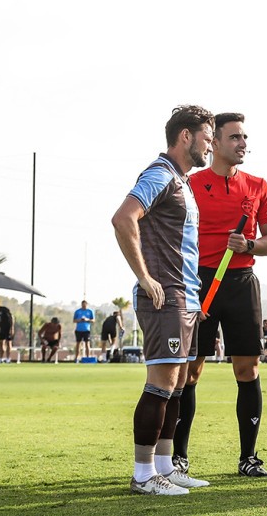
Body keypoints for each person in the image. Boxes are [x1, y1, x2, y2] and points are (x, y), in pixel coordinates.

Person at [112, 104, 215, 496]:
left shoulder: (183, 181)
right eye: (207, 137)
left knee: (178, 385)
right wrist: (144, 277)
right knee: (161, 383)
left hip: (186, 298)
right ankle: (142, 475)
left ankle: (164, 467)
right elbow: (124, 218)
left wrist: (195, 296)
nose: (210, 145)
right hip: (164, 297)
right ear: (185, 136)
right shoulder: (159, 175)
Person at [174, 112, 267, 479]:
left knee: (247, 369)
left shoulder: (258, 185)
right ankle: (178, 458)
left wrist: (248, 243)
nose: (242, 143)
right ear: (214, 142)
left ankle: (248, 458)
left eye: (244, 137)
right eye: (234, 137)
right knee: (190, 371)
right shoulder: (190, 183)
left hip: (241, 282)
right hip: (199, 283)